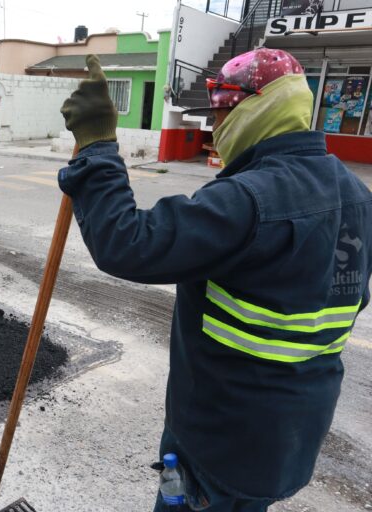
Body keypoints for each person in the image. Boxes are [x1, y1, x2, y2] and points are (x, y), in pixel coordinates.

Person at [58, 50, 372, 511]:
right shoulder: (359, 197)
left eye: (224, 105)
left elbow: (128, 243)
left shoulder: (249, 200)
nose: (216, 123)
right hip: (287, 442)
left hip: (217, 445)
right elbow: (351, 298)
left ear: (262, 104)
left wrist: (97, 145)